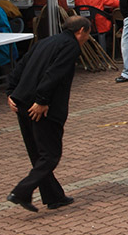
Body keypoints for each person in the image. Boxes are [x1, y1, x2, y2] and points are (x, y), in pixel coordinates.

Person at [5, 15, 91, 212]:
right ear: (80, 31)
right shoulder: (70, 46)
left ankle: (54, 196)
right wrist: (42, 100)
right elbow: (54, 73)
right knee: (50, 154)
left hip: (22, 100)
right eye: (87, 34)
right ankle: (21, 191)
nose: (87, 38)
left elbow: (21, 65)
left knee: (38, 153)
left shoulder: (44, 42)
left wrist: (11, 91)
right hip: (41, 106)